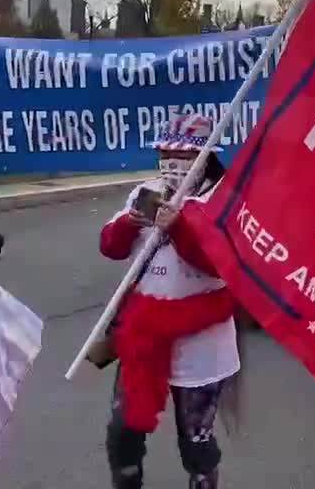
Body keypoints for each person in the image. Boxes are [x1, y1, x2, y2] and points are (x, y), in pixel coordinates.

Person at [97, 114, 236, 489]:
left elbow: (220, 263)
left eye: (183, 154)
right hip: (144, 336)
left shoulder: (224, 199)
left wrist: (177, 228)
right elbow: (109, 246)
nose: (172, 162)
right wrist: (130, 223)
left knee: (196, 442)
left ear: (205, 156)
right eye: (165, 153)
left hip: (201, 340)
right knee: (122, 433)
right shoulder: (145, 191)